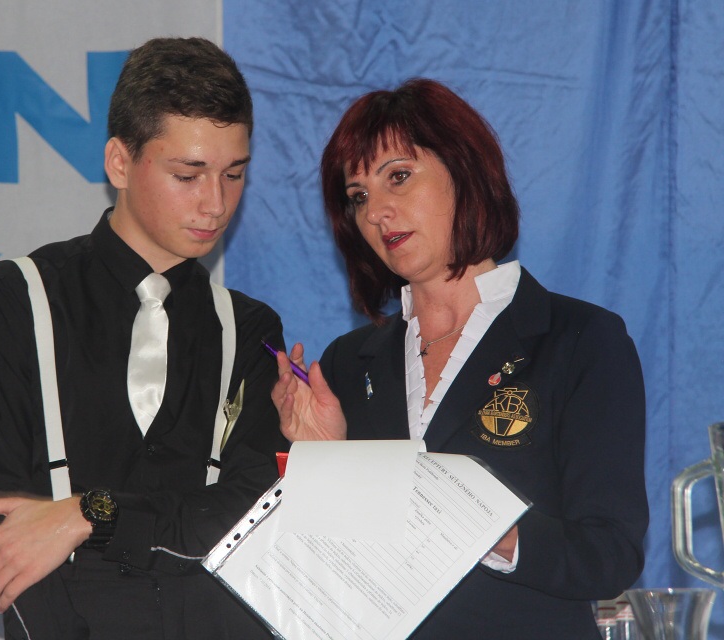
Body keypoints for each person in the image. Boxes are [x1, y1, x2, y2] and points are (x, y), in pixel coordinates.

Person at [272, 78, 648, 639]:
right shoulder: (349, 363)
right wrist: (322, 460)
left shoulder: (579, 339)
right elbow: (332, 572)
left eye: (398, 176)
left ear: (465, 171)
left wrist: (487, 530)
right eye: (358, 197)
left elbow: (610, 554)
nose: (377, 212)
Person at [0, 37, 287, 639]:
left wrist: (88, 514)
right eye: (188, 174)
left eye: (234, 174)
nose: (215, 203)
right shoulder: (15, 298)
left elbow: (249, 516)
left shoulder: (251, 329)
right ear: (119, 163)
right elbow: (1, 543)